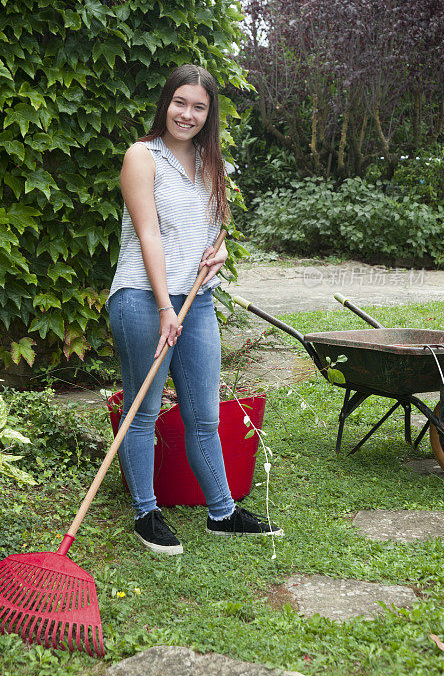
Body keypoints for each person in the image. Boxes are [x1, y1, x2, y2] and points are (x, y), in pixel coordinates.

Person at [107, 64, 279, 555]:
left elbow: (215, 233)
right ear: (166, 103)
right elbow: (149, 235)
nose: (188, 114)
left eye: (199, 106)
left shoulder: (213, 166)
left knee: (204, 414)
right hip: (143, 298)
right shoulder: (143, 157)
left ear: (209, 113)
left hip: (198, 301)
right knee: (142, 409)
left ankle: (222, 512)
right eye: (180, 102)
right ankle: (146, 512)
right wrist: (165, 306)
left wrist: (220, 252)